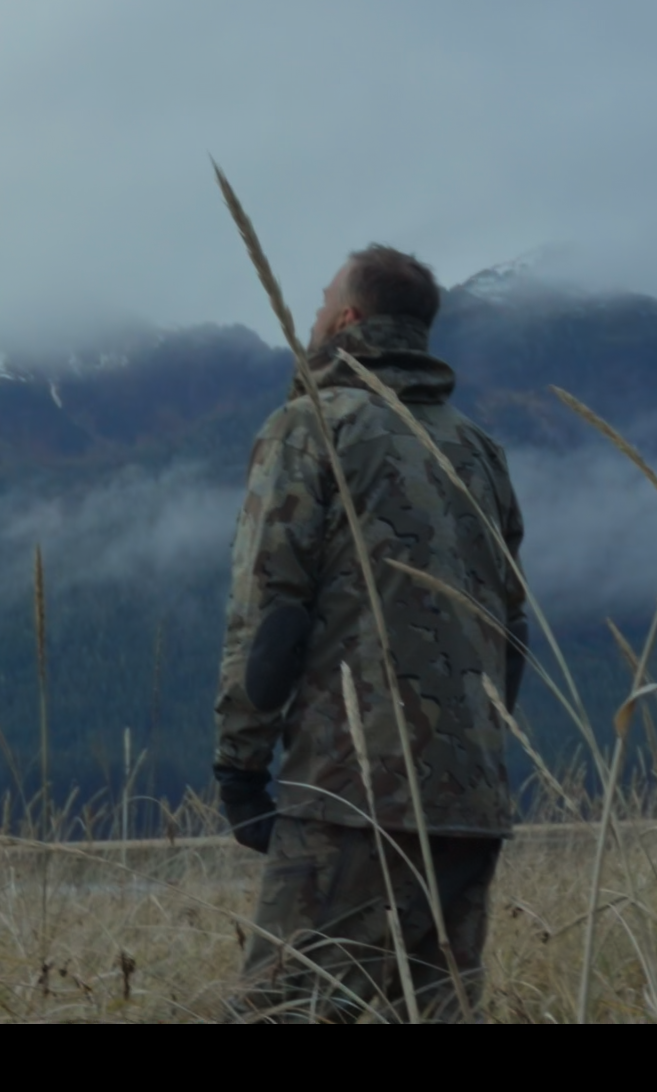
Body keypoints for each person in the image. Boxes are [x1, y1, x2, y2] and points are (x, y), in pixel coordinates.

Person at [212, 245, 525, 1021]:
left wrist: (239, 766)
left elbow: (271, 611)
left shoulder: (312, 428)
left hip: (349, 792)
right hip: (470, 797)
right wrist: (480, 746)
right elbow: (512, 626)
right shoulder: (478, 451)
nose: (313, 314)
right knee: (432, 1010)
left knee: (283, 1010)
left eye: (322, 301)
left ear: (347, 319)